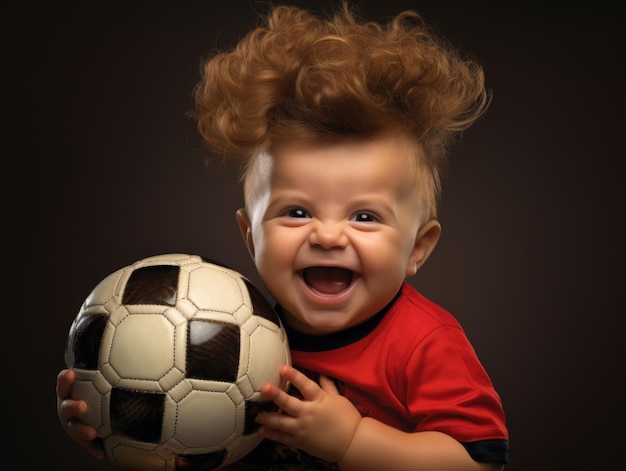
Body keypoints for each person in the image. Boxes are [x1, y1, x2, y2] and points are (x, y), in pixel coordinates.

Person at [57, 3, 509, 470]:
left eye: (365, 217)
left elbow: (479, 460)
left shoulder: (425, 343)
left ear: (417, 247)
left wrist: (352, 441)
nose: (329, 235)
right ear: (250, 236)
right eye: (296, 212)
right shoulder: (225, 332)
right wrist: (121, 422)